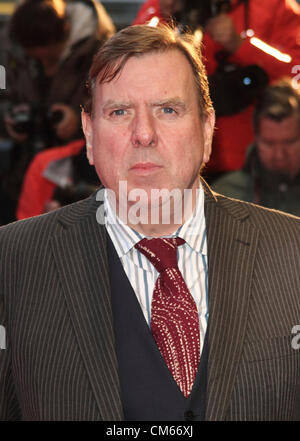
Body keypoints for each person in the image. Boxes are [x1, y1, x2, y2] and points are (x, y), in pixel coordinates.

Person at [0, 24, 299, 421]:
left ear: (207, 131)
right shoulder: (12, 261)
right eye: (120, 112)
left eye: (168, 110)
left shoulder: (292, 251)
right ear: (89, 133)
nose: (143, 134)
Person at [133, 0, 300, 176]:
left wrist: (242, 46)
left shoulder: (274, 6)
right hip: (177, 160)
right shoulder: (162, 7)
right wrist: (165, 19)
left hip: (253, 167)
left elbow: (296, 71)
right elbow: (132, 68)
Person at [212, 79, 300, 216]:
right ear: (256, 138)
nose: (279, 155)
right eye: (269, 144)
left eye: (289, 142)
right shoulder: (224, 196)